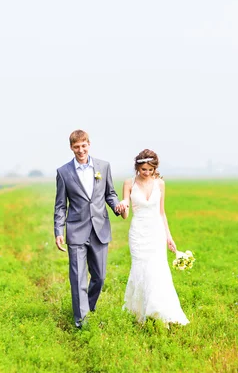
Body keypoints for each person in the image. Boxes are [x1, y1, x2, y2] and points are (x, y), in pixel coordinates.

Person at [53, 130, 126, 328]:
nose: (80, 150)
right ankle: (81, 320)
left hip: (100, 229)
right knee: (77, 278)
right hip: (76, 230)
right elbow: (61, 205)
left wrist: (117, 206)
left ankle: (88, 308)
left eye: (83, 146)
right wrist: (59, 231)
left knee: (100, 277)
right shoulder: (63, 172)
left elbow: (110, 193)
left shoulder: (103, 166)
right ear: (71, 148)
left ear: (89, 144)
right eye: (76, 147)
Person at [119, 149, 189, 326]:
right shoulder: (129, 183)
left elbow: (162, 212)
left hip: (156, 231)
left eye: (150, 170)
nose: (147, 173)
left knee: (157, 270)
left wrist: (169, 236)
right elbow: (125, 213)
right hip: (138, 232)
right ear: (137, 168)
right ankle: (140, 313)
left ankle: (160, 312)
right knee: (140, 269)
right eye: (144, 170)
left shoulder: (160, 184)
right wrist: (122, 206)